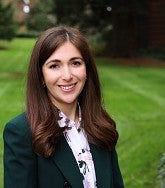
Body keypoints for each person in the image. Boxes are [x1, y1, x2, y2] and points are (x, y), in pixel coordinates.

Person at [3, 26, 124, 188]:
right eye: (54, 66)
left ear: (87, 70)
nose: (67, 76)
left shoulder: (101, 125)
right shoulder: (21, 132)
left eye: (75, 63)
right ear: (41, 76)